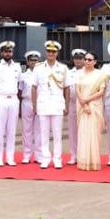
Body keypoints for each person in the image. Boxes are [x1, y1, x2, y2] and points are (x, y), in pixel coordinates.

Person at [32, 40, 69, 169]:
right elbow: (34, 87)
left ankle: (57, 158)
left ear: (57, 53)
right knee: (44, 133)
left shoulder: (63, 68)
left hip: (57, 104)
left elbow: (67, 88)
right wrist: (34, 105)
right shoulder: (38, 68)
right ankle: (46, 158)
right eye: (49, 51)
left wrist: (66, 105)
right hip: (43, 103)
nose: (51, 54)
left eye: (53, 52)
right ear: (46, 52)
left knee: (57, 134)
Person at [0, 40, 22, 167]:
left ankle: (10, 157)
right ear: (1, 53)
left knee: (11, 130)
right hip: (0, 99)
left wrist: (18, 99)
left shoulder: (17, 67)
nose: (8, 53)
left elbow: (19, 85)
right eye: (6, 51)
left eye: (10, 51)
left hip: (13, 99)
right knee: (0, 130)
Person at [74, 49, 110, 171]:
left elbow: (101, 92)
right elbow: (77, 90)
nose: (87, 61)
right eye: (85, 59)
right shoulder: (79, 73)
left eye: (90, 60)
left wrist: (87, 100)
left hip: (94, 106)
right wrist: (84, 104)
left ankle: (93, 162)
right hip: (82, 106)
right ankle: (83, 161)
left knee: (94, 134)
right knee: (83, 134)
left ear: (95, 61)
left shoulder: (100, 75)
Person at [20, 51, 40, 164]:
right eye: (31, 60)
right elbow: (20, 90)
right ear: (27, 62)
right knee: (27, 130)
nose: (33, 62)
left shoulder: (41, 74)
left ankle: (38, 155)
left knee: (38, 130)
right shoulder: (23, 75)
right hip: (27, 102)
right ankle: (27, 155)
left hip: (39, 102)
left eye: (35, 60)